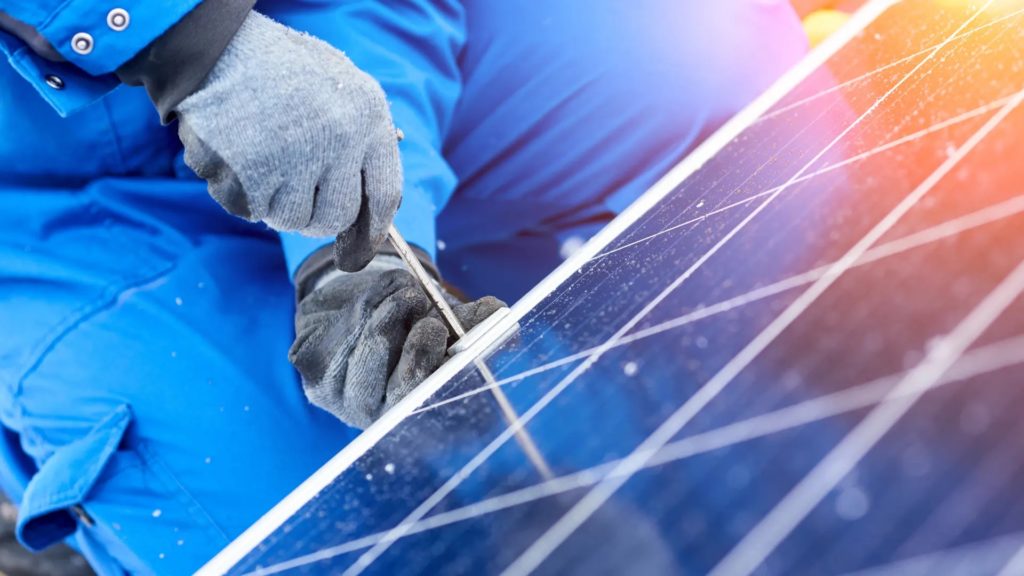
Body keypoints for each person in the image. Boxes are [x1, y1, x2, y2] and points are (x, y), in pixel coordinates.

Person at [0, 0, 807, 573]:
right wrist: (182, 32)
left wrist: (362, 245)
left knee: (713, 72)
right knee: (298, 537)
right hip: (38, 213)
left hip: (286, 39)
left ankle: (798, 428)